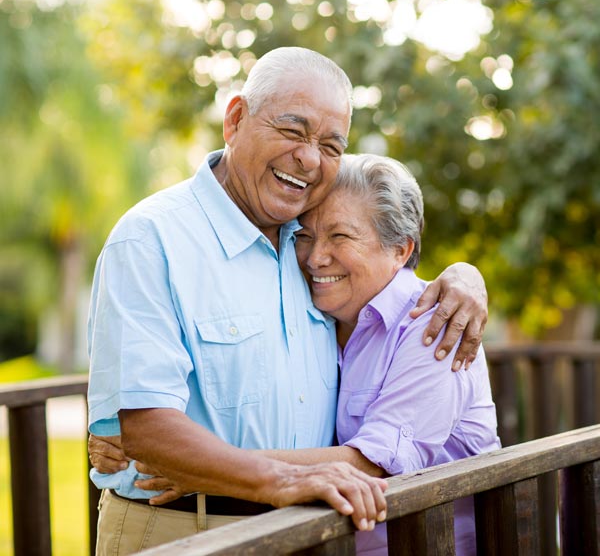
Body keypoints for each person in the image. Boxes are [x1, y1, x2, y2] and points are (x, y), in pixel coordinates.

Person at [87, 47, 488, 555]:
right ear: (235, 120)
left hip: (310, 532)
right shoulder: (151, 239)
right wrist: (268, 478)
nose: (309, 158)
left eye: (330, 145)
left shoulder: (306, 248)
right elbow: (146, 430)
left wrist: (464, 277)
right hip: (185, 531)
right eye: (294, 131)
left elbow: (383, 267)